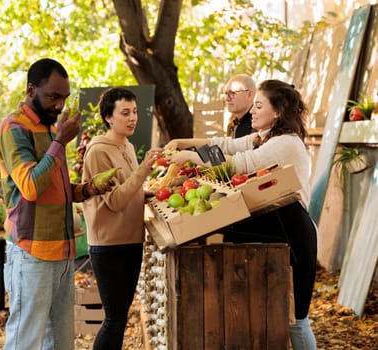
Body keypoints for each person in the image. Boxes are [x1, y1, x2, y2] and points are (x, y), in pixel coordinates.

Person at [166, 79, 317, 350]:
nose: (254, 111)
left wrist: (190, 157)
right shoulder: (264, 137)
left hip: (295, 230)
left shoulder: (284, 143)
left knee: (297, 318)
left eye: (259, 106)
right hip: (277, 225)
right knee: (282, 314)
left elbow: (237, 164)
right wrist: (183, 143)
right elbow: (225, 145)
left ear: (278, 111)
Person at [0, 58, 113, 350]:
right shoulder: (14, 128)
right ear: (31, 89)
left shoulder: (48, 129)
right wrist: (60, 141)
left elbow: (53, 188)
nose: (60, 105)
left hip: (62, 253)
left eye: (64, 98)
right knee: (26, 342)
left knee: (60, 343)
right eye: (53, 96)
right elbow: (31, 186)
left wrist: (87, 189)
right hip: (32, 253)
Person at [81, 88, 163, 350]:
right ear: (108, 117)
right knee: (114, 320)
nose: (132, 118)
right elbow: (115, 200)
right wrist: (143, 170)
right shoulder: (98, 152)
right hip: (109, 245)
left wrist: (148, 191)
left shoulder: (125, 145)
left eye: (135, 112)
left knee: (120, 316)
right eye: (125, 113)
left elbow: (129, 187)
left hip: (131, 240)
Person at [223, 74, 256, 138]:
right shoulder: (232, 123)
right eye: (226, 93)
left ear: (250, 95)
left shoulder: (257, 124)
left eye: (232, 93)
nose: (227, 99)